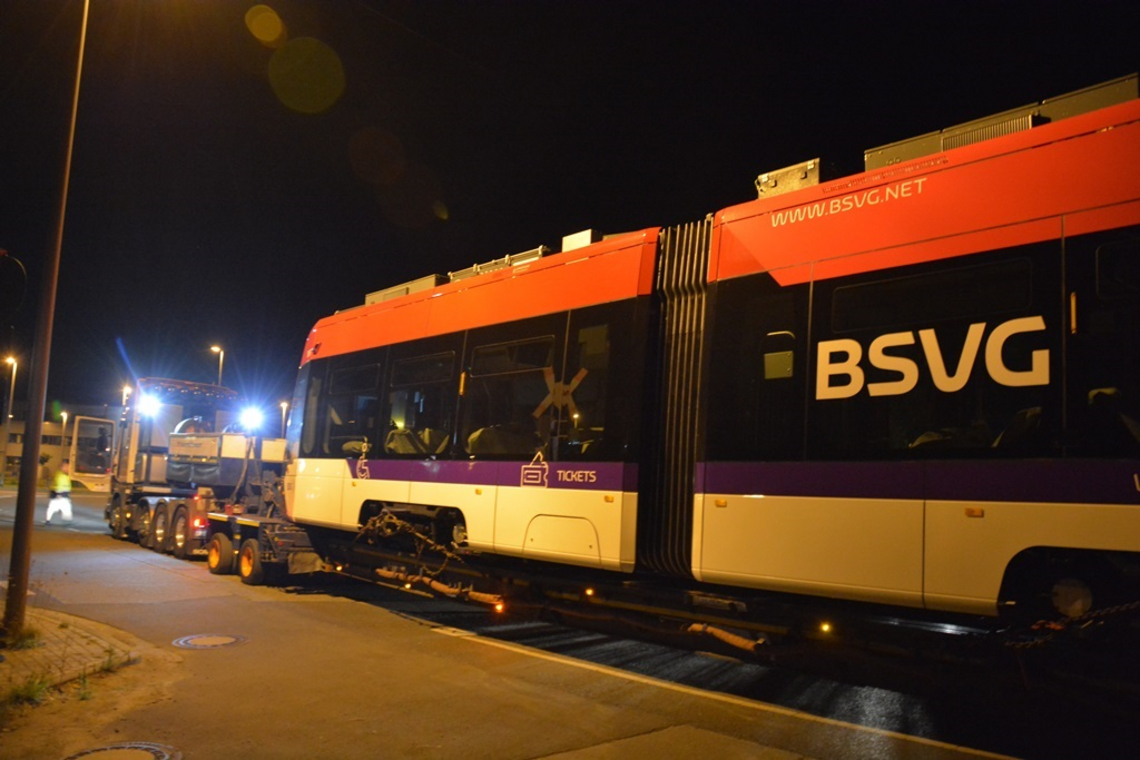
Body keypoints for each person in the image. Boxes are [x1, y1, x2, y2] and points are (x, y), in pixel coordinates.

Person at [45, 460, 73, 525]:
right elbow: (59, 485)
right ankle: (48, 520)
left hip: (60, 494)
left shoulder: (62, 474)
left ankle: (48, 520)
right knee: (61, 507)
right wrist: (59, 494)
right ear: (62, 467)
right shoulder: (60, 475)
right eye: (67, 467)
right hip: (60, 494)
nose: (68, 469)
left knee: (55, 508)